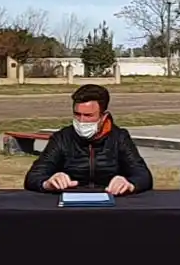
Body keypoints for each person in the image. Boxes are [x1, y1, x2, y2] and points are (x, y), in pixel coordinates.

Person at [24, 83, 153, 194]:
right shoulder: (62, 138)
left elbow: (144, 176)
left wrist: (129, 184)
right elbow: (32, 177)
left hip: (110, 202)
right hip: (69, 205)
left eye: (88, 115)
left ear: (103, 117)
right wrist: (48, 183)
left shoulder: (119, 137)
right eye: (77, 114)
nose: (81, 121)